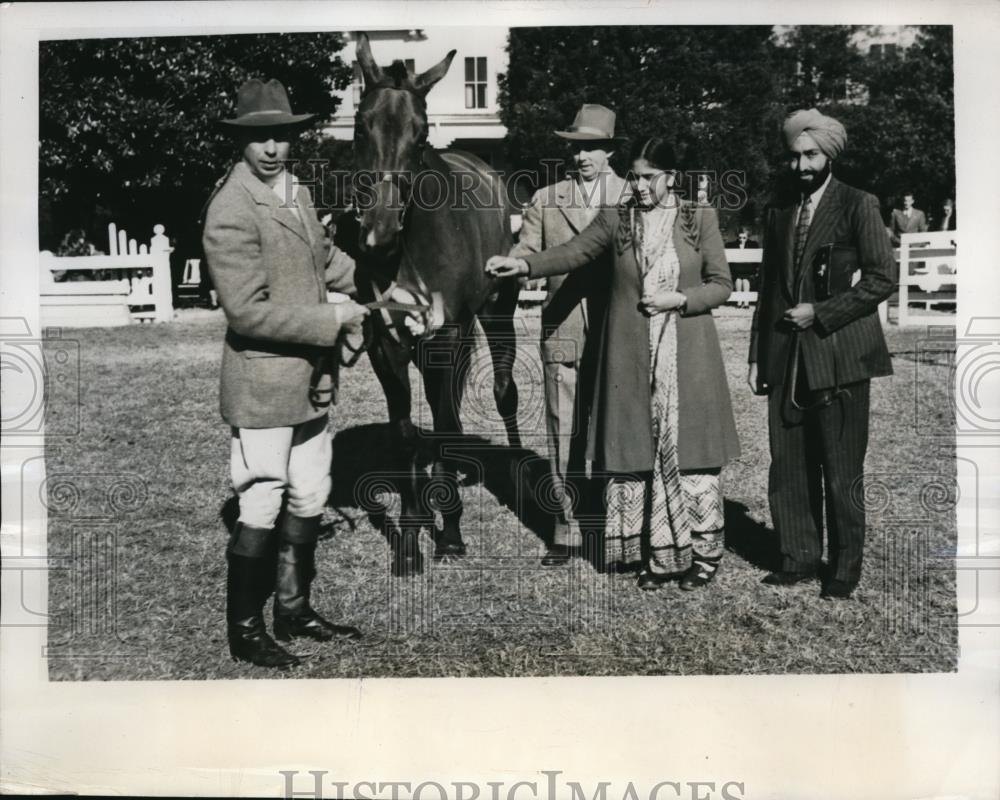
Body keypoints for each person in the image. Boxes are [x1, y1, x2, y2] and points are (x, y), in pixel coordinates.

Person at [487, 137, 740, 591]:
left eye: (648, 178)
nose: (639, 186)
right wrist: (523, 268)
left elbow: (721, 283)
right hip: (629, 353)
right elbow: (575, 252)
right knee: (636, 454)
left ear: (671, 178)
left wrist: (681, 299)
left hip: (687, 353)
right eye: (636, 177)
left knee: (692, 457)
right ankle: (657, 554)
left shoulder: (698, 218)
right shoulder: (617, 217)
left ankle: (702, 555)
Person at [202, 78, 370, 668]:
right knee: (262, 499)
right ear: (241, 143)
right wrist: (334, 318)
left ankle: (293, 610)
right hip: (265, 380)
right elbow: (247, 311)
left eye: (282, 136)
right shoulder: (230, 210)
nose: (273, 148)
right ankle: (245, 631)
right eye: (260, 138)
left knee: (311, 493)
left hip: (311, 377)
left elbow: (327, 258)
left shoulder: (294, 192)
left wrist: (378, 288)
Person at [747, 108, 894, 600]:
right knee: (787, 462)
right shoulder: (780, 209)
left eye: (810, 155)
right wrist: (757, 356)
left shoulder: (858, 204)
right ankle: (798, 557)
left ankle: (844, 569)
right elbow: (769, 287)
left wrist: (823, 313)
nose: (801, 166)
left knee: (841, 466)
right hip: (786, 356)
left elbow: (881, 279)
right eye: (794, 156)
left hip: (841, 356)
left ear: (829, 153)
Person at [508, 103, 628, 566]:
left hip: (620, 329)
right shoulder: (545, 198)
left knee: (616, 427)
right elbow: (526, 252)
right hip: (562, 327)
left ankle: (616, 528)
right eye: (576, 148)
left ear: (609, 153)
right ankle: (567, 528)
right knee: (563, 429)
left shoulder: (631, 195)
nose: (581, 156)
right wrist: (518, 270)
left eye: (592, 148)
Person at [725, 226, 761, 309]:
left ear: (747, 237)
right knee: (738, 279)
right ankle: (739, 301)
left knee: (745, 280)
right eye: (740, 237)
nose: (742, 239)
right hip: (737, 269)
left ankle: (746, 301)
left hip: (748, 269)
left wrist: (755, 269)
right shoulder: (731, 245)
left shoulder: (753, 245)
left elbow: (755, 260)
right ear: (737, 236)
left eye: (744, 237)